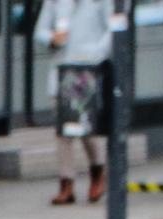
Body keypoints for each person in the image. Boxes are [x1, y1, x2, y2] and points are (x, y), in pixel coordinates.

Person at [33, 0, 113, 205]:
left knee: (86, 126)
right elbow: (40, 31)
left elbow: (112, 29)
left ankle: (97, 171)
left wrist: (97, 52)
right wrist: (52, 37)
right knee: (64, 130)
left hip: (89, 69)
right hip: (63, 69)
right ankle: (66, 184)